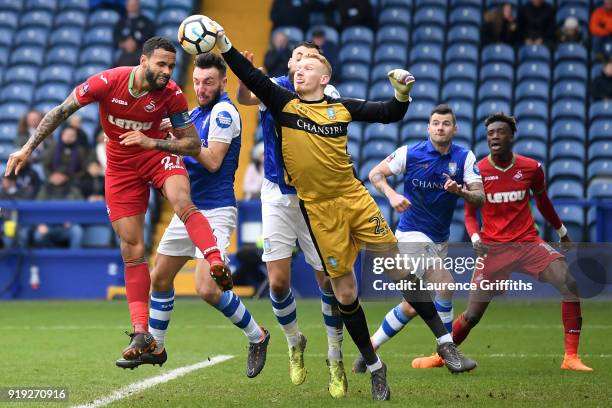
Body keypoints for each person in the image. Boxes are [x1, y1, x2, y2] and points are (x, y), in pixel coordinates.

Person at [215, 21, 475, 400]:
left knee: (401, 270)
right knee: (346, 293)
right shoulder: (282, 103)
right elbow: (249, 75)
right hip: (318, 212)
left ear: (325, 77)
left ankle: (445, 342)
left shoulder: (340, 108)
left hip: (354, 199)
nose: (298, 69)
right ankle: (374, 365)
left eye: (308, 66)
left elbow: (387, 113)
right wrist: (225, 45)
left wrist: (402, 96)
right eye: (296, 65)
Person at [5, 36, 231, 365]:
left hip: (155, 154)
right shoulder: (107, 82)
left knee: (182, 202)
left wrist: (152, 142)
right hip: (121, 166)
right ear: (143, 62)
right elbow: (62, 110)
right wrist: (28, 148)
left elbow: (193, 145)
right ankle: (141, 332)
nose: (168, 71)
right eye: (161, 64)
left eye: (171, 65)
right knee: (131, 247)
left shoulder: (171, 95)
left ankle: (214, 262)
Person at [117, 52, 271, 377]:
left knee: (207, 289)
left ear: (223, 82)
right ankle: (155, 346)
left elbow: (213, 160)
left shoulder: (225, 113)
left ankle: (257, 336)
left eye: (209, 82)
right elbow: (184, 145)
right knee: (159, 278)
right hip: (187, 211)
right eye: (197, 82)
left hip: (215, 211)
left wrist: (160, 142)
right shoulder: (195, 113)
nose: (201, 88)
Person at [413, 112, 593, 372]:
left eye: (500, 132)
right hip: (493, 249)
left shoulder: (531, 168)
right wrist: (475, 237)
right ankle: (441, 355)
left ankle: (571, 357)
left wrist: (562, 231)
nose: (494, 136)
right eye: (490, 134)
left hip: (528, 243)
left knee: (569, 283)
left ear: (511, 136)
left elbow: (544, 203)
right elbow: (469, 214)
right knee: (472, 315)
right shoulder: (478, 170)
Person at [237, 42, 347, 398]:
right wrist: (245, 73)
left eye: (310, 58)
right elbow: (245, 98)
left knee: (327, 282)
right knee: (279, 283)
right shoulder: (274, 86)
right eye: (298, 56)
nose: (302, 62)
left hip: (314, 197)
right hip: (275, 195)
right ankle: (294, 341)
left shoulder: (327, 94)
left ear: (319, 68)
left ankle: (335, 357)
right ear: (289, 62)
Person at [353, 104, 483, 373]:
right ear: (428, 127)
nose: (440, 127)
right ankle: (449, 352)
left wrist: (461, 192)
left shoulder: (465, 158)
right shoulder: (410, 153)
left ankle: (368, 350)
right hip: (411, 233)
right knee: (445, 283)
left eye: (446, 123)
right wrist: (392, 196)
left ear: (454, 129)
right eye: (435, 123)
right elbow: (375, 174)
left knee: (412, 305)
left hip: (439, 239)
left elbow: (480, 196)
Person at [33, 170, 84, 249]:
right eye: (54, 175)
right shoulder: (44, 190)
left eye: (59, 175)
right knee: (38, 235)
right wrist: (40, 224)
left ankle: (73, 259)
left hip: (67, 225)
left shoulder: (73, 190)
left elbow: (82, 209)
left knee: (77, 231)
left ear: (65, 177)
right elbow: (36, 209)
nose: (56, 177)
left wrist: (73, 220)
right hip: (48, 225)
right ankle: (50, 258)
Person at [113, 0, 156, 66]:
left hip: (140, 50)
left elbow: (150, 37)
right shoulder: (121, 21)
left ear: (138, 6)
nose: (132, 7)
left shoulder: (146, 21)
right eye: (130, 5)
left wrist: (136, 43)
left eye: (134, 5)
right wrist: (125, 44)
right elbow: (115, 36)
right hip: (124, 51)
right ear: (126, 6)